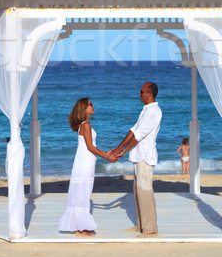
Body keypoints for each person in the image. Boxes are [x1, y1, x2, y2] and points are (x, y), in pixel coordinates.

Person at [59, 98, 117, 237]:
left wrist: (105, 153)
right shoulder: (85, 125)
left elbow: (90, 146)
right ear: (84, 108)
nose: (93, 106)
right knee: (82, 194)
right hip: (85, 162)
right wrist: (107, 157)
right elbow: (90, 147)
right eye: (91, 104)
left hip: (86, 161)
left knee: (82, 193)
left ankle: (80, 226)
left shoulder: (85, 125)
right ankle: (81, 228)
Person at [112, 82, 162, 238]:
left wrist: (124, 150)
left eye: (141, 92)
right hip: (138, 155)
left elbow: (140, 136)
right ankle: (141, 225)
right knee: (138, 192)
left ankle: (150, 229)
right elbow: (134, 130)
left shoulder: (154, 112)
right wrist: (118, 148)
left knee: (145, 192)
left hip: (146, 157)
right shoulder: (146, 111)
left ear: (149, 93)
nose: (139, 94)